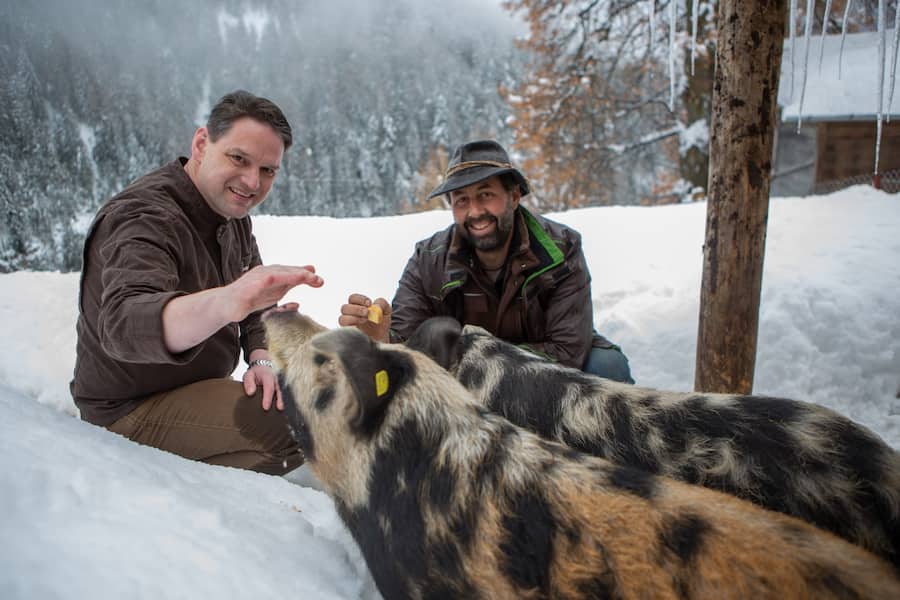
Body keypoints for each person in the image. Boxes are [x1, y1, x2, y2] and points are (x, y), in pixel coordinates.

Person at [71, 90, 323, 475]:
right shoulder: (145, 217)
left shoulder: (230, 210)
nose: (252, 181)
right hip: (132, 405)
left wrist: (261, 358)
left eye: (268, 170)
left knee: (307, 403)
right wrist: (227, 302)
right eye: (239, 158)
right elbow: (125, 323)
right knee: (299, 423)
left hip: (195, 387)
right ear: (202, 143)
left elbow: (254, 303)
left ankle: (221, 471)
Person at [339, 139, 633, 383]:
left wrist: (471, 357)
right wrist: (381, 336)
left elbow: (568, 351)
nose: (475, 211)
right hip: (469, 383)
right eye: (462, 200)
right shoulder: (428, 259)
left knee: (607, 367)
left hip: (541, 380)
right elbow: (405, 343)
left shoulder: (561, 249)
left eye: (486, 194)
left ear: (514, 196)